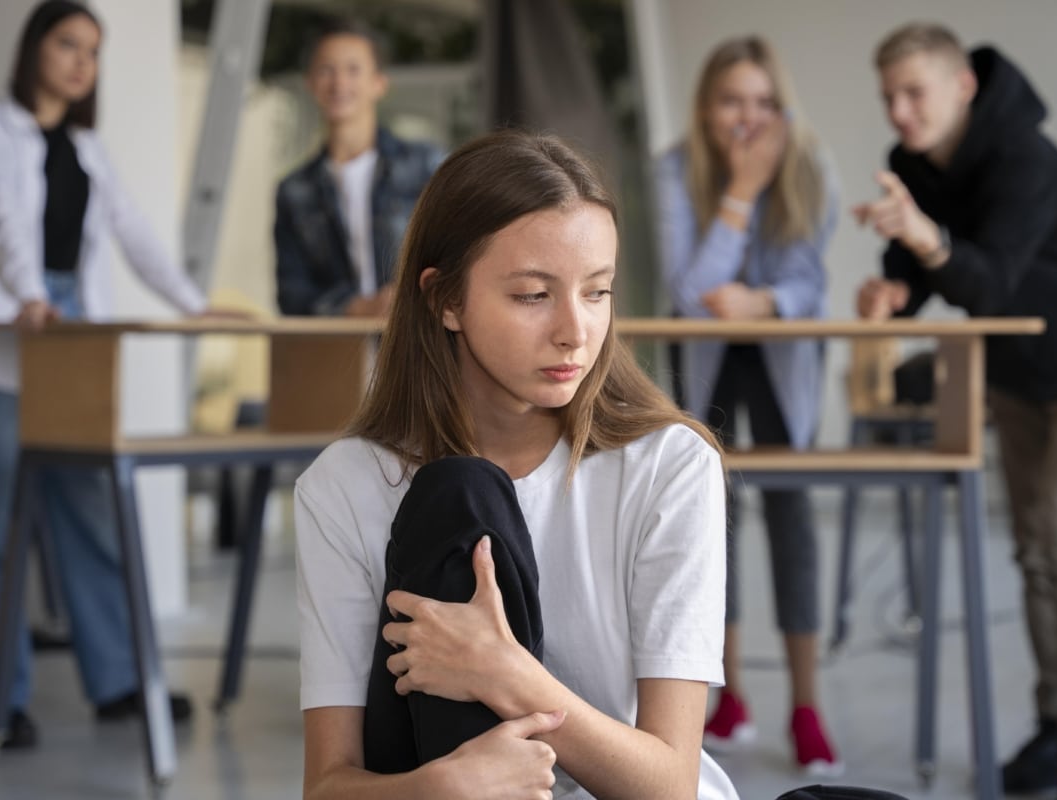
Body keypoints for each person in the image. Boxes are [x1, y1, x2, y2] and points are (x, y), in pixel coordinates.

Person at [295, 129, 739, 799]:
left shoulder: (670, 467)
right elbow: (328, 787)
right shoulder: (346, 484)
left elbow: (671, 784)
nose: (575, 330)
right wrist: (439, 789)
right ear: (445, 300)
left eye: (597, 292)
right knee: (456, 493)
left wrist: (502, 672)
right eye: (534, 295)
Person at [853, 23, 1057, 800]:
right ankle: (1056, 721)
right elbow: (911, 271)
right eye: (889, 97)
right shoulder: (908, 165)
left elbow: (991, 282)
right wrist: (894, 295)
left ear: (963, 86)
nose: (900, 113)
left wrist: (925, 238)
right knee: (1031, 546)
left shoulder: (1025, 156)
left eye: (914, 93)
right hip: (1014, 370)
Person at [0, 0, 212, 748]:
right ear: (36, 48)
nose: (81, 61)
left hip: (74, 335)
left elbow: (135, 233)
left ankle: (121, 683)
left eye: (94, 51)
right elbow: (5, 218)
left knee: (95, 510)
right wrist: (30, 293)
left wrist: (196, 308)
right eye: (68, 43)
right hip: (4, 335)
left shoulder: (87, 147)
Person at [654, 36, 840, 774]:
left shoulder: (810, 165)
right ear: (705, 108)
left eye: (764, 102)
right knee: (711, 515)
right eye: (732, 100)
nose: (748, 118)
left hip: (783, 356)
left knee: (792, 516)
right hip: (706, 364)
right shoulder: (675, 169)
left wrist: (762, 301)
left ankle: (806, 704)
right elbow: (686, 291)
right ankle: (725, 695)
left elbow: (810, 286)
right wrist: (738, 193)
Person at [274, 15, 442, 317]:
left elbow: (459, 256)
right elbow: (291, 294)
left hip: (418, 344)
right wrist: (358, 307)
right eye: (327, 69)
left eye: (353, 69)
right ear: (310, 83)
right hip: (338, 355)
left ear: (379, 83)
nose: (339, 83)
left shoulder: (425, 166)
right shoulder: (295, 191)